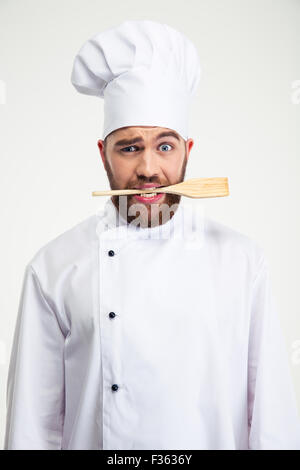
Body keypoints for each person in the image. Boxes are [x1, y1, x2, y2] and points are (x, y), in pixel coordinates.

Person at [4, 20, 300, 450]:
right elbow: (32, 427)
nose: (147, 170)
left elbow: (272, 423)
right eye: (129, 147)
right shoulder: (53, 268)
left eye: (165, 146)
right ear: (103, 154)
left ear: (188, 152)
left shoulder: (243, 263)